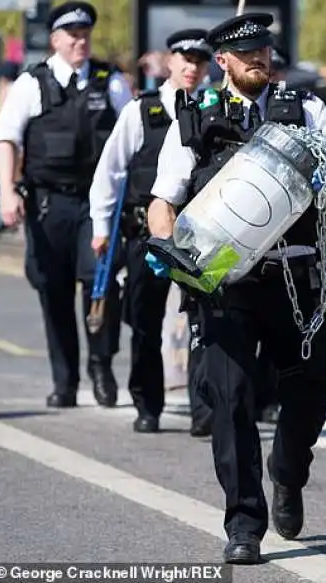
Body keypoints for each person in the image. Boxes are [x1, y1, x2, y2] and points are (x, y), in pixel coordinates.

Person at [144, 13, 326, 564]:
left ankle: (288, 470)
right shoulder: (194, 117)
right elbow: (164, 200)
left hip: (299, 274)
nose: (260, 57)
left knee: (311, 390)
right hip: (227, 283)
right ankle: (244, 524)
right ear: (224, 63)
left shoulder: (306, 110)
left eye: (264, 49)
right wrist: (170, 250)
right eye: (247, 52)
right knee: (229, 399)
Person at [0, 1, 133, 408]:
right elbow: (7, 139)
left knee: (100, 283)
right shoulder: (31, 83)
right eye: (72, 35)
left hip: (97, 204)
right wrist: (6, 190)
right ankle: (65, 380)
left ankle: (101, 366)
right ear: (55, 40)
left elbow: (130, 137)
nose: (80, 41)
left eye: (85, 34)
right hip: (48, 205)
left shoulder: (111, 82)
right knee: (53, 292)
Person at [88, 29, 212, 433]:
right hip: (147, 231)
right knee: (144, 319)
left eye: (200, 60)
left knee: (207, 323)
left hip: (203, 234)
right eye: (185, 59)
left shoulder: (217, 108)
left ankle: (204, 410)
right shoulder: (142, 111)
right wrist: (102, 226)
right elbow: (110, 171)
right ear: (170, 61)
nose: (192, 67)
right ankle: (148, 403)